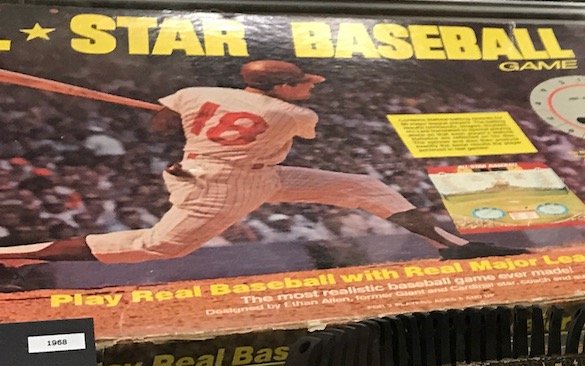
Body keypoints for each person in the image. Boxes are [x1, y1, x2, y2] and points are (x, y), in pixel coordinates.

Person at [0, 60, 512, 266]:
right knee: (160, 246)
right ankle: (11, 256)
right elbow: (290, 126)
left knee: (363, 186)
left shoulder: (194, 91)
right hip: (222, 185)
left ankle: (454, 247)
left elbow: (160, 125)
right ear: (280, 86)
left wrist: (178, 109)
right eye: (302, 82)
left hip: (250, 174)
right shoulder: (295, 114)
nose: (309, 87)